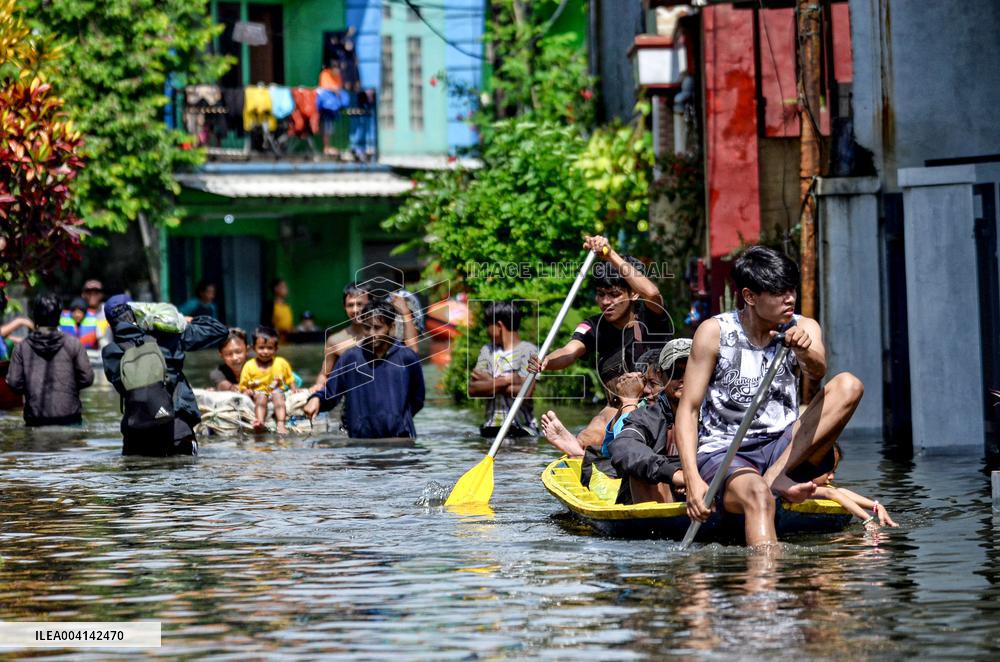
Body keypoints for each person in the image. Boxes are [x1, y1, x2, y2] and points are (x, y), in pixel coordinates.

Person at [676, 246, 865, 547]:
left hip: (784, 448)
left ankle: (775, 477)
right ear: (750, 297)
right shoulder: (714, 332)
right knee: (758, 496)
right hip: (726, 452)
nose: (789, 298)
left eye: (791, 289)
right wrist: (692, 479)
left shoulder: (803, 326)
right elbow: (688, 410)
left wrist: (803, 349)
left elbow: (817, 370)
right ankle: (763, 591)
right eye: (778, 292)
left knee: (849, 384)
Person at [529, 235, 670, 445]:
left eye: (614, 294)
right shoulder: (594, 325)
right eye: (600, 294)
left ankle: (582, 449)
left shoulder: (653, 317)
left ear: (634, 295)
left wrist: (610, 254)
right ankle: (579, 450)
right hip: (615, 407)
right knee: (589, 436)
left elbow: (652, 292)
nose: (605, 302)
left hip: (654, 408)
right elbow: (570, 350)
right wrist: (547, 361)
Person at [102, 294, 229, 456]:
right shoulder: (170, 335)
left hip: (136, 432)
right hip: (177, 429)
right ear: (139, 310)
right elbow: (220, 331)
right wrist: (182, 320)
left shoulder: (110, 352)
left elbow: (124, 387)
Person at [304, 298, 424, 438]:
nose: (372, 333)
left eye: (378, 327)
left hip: (400, 441)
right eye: (367, 327)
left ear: (392, 327)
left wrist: (398, 420)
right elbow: (331, 393)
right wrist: (316, 399)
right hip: (361, 442)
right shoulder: (350, 358)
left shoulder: (407, 358)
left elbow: (417, 399)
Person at [607, 339, 693, 504]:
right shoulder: (647, 416)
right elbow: (624, 446)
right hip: (660, 501)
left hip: (706, 487)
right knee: (640, 471)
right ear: (662, 376)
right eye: (675, 373)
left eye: (690, 372)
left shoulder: (719, 412)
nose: (682, 379)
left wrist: (694, 476)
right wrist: (674, 474)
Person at [311, 283, 418, 392]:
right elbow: (324, 375)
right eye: (350, 305)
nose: (355, 310)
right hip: (355, 400)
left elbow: (413, 352)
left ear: (371, 303)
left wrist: (405, 313)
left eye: (360, 304)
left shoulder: (387, 332)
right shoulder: (335, 341)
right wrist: (318, 388)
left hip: (388, 396)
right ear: (344, 307)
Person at [6, 294, 94, 426]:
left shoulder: (21, 347)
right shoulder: (74, 344)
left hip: (35, 420)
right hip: (70, 418)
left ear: (35, 316)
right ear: (59, 317)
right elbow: (87, 379)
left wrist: (32, 387)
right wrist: (68, 386)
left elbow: (13, 383)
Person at [469, 301, 539, 438]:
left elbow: (526, 393)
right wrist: (509, 379)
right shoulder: (487, 351)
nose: (486, 331)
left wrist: (489, 382)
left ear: (499, 326)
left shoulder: (528, 351)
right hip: (491, 428)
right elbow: (473, 389)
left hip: (521, 429)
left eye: (488, 326)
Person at [792, 443, 899, 530]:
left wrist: (876, 506)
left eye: (834, 472)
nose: (831, 477)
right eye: (828, 471)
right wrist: (867, 520)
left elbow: (840, 492)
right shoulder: (798, 487)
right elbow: (832, 493)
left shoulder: (818, 487)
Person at [239, 326, 296, 434]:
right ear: (254, 348)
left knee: (278, 398)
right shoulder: (249, 365)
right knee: (261, 398)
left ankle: (280, 423)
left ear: (276, 349)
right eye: (261, 348)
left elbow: (290, 379)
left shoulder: (281, 362)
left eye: (270, 348)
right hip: (259, 392)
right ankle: (260, 421)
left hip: (277, 391)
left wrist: (294, 389)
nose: (265, 351)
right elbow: (243, 384)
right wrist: (246, 390)